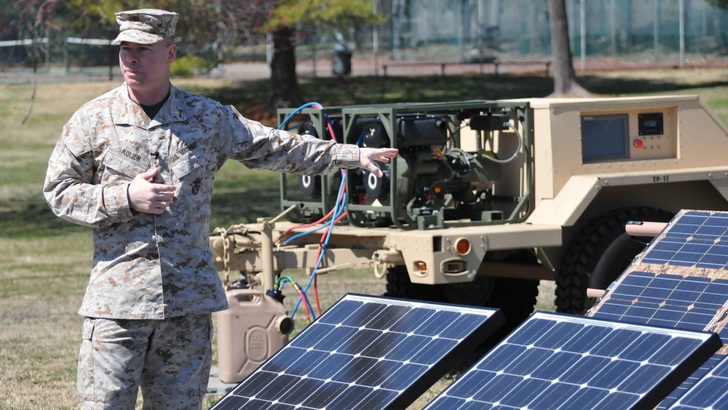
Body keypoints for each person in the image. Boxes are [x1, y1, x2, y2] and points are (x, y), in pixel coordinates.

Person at [43, 8, 397, 410]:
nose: (132, 60)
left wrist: (351, 154)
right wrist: (125, 197)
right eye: (125, 50)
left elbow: (275, 146)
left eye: (143, 49)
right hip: (117, 307)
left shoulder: (206, 118)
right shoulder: (93, 120)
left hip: (187, 308)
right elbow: (58, 191)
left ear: (170, 52)